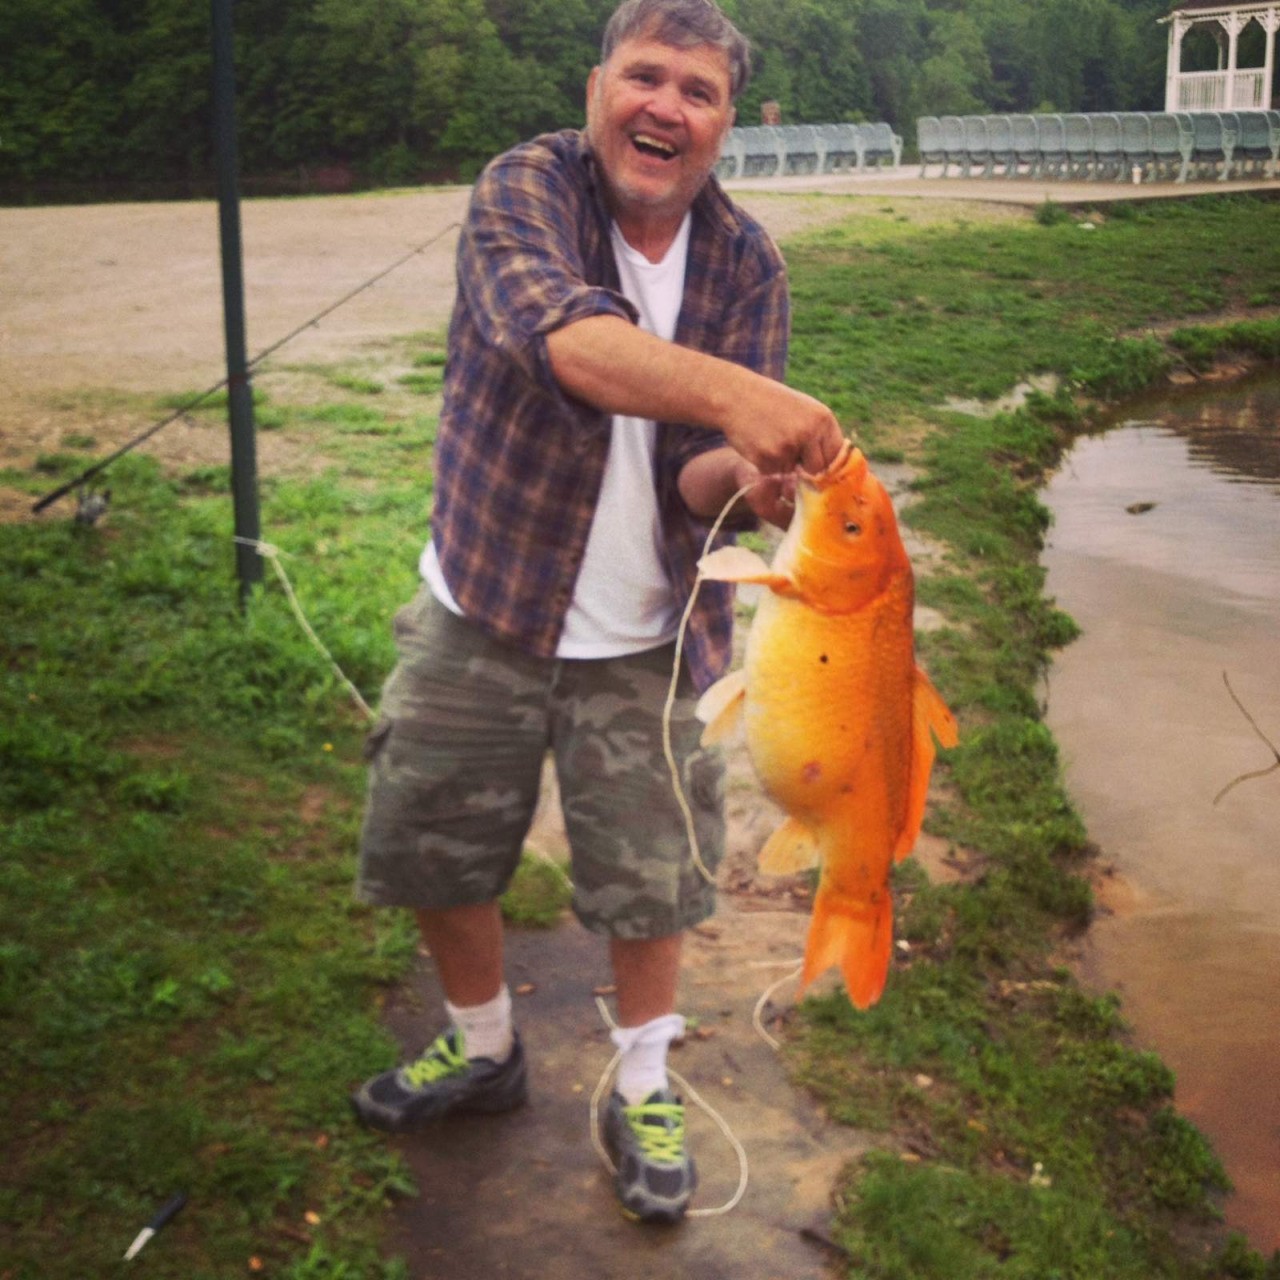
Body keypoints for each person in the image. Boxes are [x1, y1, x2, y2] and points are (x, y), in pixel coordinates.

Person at [351, 0, 844, 1224]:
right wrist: (744, 397)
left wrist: (751, 475)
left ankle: (641, 1080)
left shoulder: (746, 265)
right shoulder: (525, 189)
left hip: (645, 633)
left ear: (726, 124)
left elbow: (698, 479)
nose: (664, 107)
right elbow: (566, 344)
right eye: (645, 77)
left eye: (697, 91)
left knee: (652, 875)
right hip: (485, 597)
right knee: (433, 838)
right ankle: (479, 1044)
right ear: (595, 89)